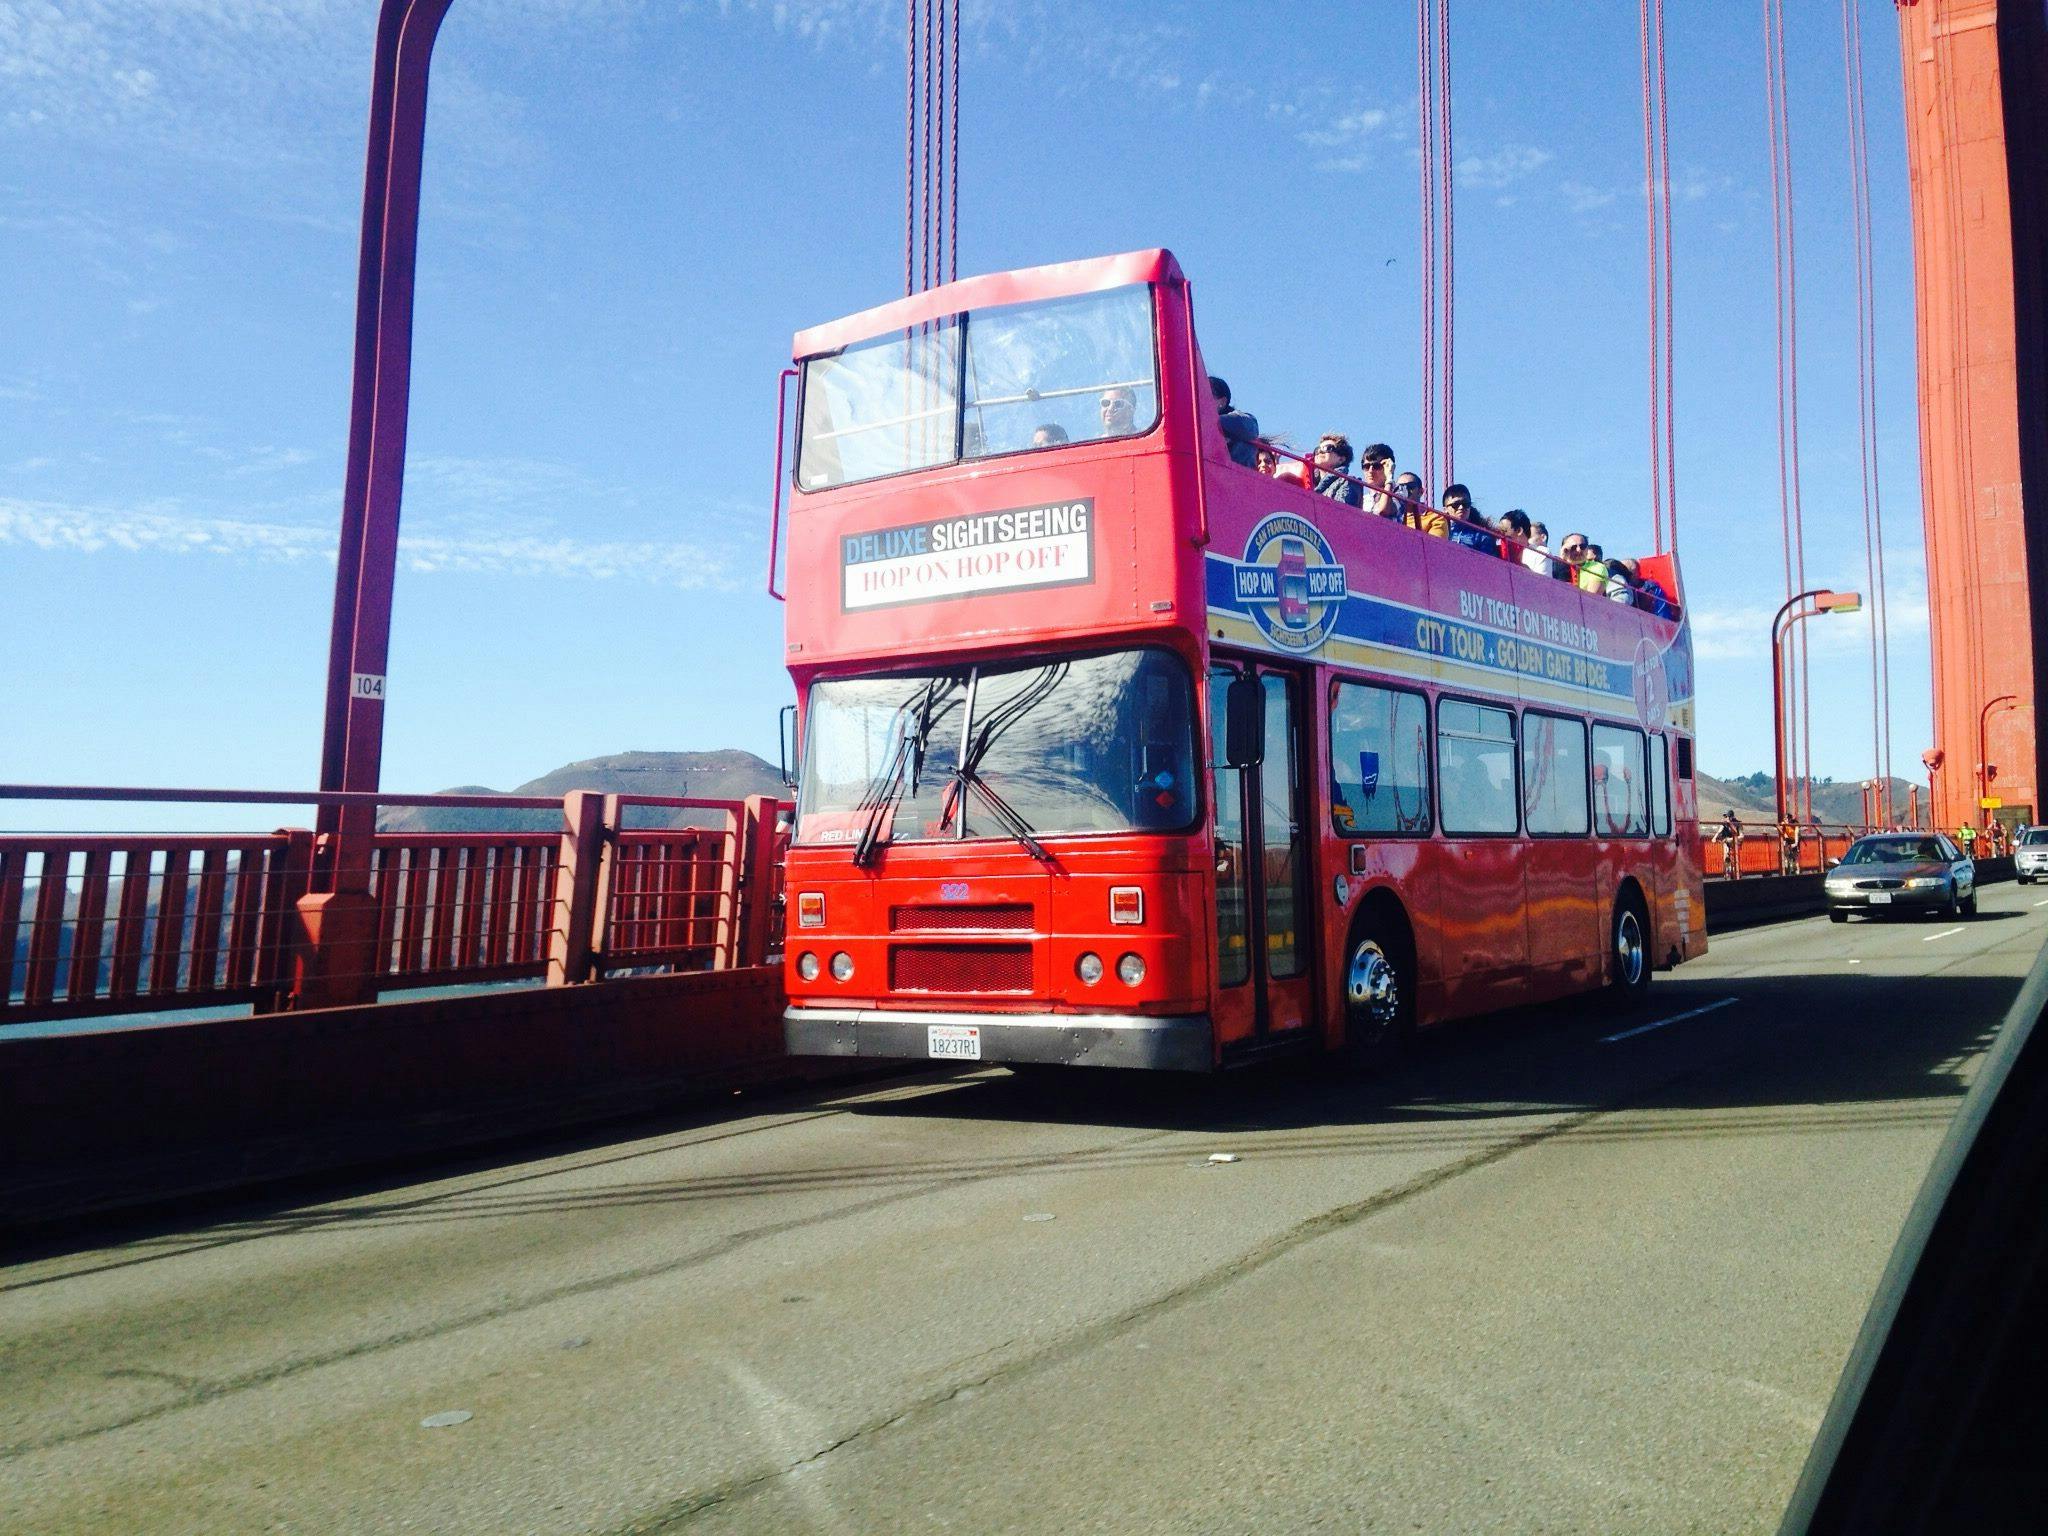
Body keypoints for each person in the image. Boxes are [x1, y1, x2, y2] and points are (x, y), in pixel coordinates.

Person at [1210, 376, 1261, 468]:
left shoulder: (1244, 419)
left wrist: (1208, 420)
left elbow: (1249, 428)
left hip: (1235, 475)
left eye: (1207, 394)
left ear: (1222, 401)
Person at [1443, 485, 1498, 554]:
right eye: (1456, 504)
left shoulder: (1482, 536)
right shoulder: (1438, 531)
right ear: (1445, 509)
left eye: (1465, 504)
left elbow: (1486, 562)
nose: (1461, 507)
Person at [1312, 434, 1364, 507]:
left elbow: (1341, 512)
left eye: (1327, 448)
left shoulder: (1349, 482)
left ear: (1341, 459)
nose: (1320, 451)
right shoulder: (1308, 482)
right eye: (1317, 449)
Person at [1358, 443, 1400, 518]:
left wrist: (1389, 476)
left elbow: (1383, 511)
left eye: (1376, 466)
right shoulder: (1362, 499)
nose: (1370, 471)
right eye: (1366, 466)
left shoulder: (1399, 493)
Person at [1715, 810, 1744, 880]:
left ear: (1731, 817)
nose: (1726, 818)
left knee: (1734, 860)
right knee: (1726, 858)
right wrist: (1715, 837)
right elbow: (1719, 832)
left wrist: (1731, 839)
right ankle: (1727, 873)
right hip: (1726, 843)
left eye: (1727, 816)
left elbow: (1742, 836)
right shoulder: (1724, 824)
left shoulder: (1737, 824)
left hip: (1734, 844)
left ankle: (1735, 873)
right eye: (1726, 816)